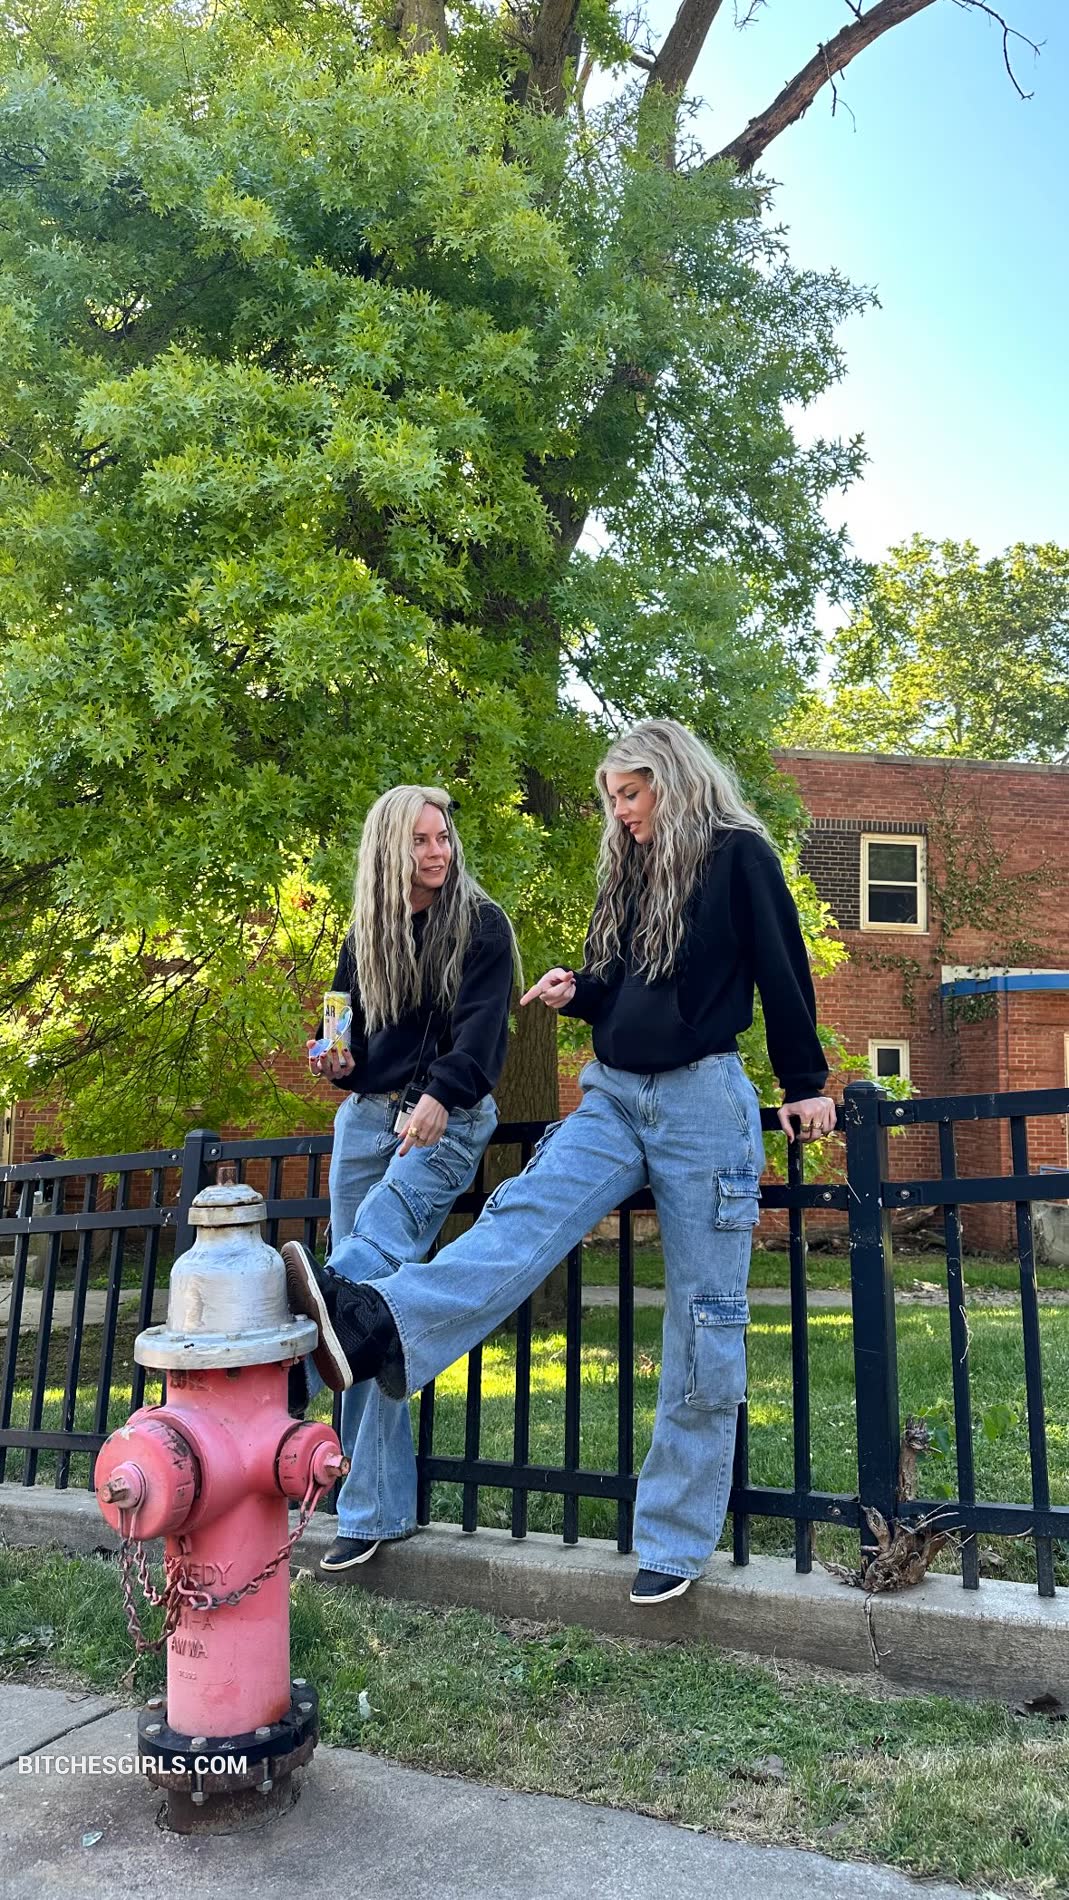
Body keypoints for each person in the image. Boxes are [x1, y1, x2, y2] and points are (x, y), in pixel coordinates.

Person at [284, 721, 835, 1604]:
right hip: (611, 1094)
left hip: (700, 1100)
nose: (620, 813)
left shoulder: (738, 855)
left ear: (673, 780)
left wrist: (805, 1082)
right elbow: (623, 986)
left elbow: (781, 965)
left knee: (705, 1316)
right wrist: (581, 992)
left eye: (630, 795)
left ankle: (675, 1538)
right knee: (519, 1217)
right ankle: (374, 1322)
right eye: (611, 799)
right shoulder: (626, 868)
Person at [285, 785, 517, 1574]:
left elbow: (481, 1036)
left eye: (442, 837)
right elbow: (336, 1019)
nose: (437, 851)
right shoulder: (368, 930)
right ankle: (372, 1504)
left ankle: (284, 1373)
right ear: (390, 848)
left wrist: (438, 1097)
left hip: (445, 1118)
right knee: (361, 1312)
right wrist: (332, 1054)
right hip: (364, 1120)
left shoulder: (480, 924)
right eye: (420, 840)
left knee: (362, 1281)